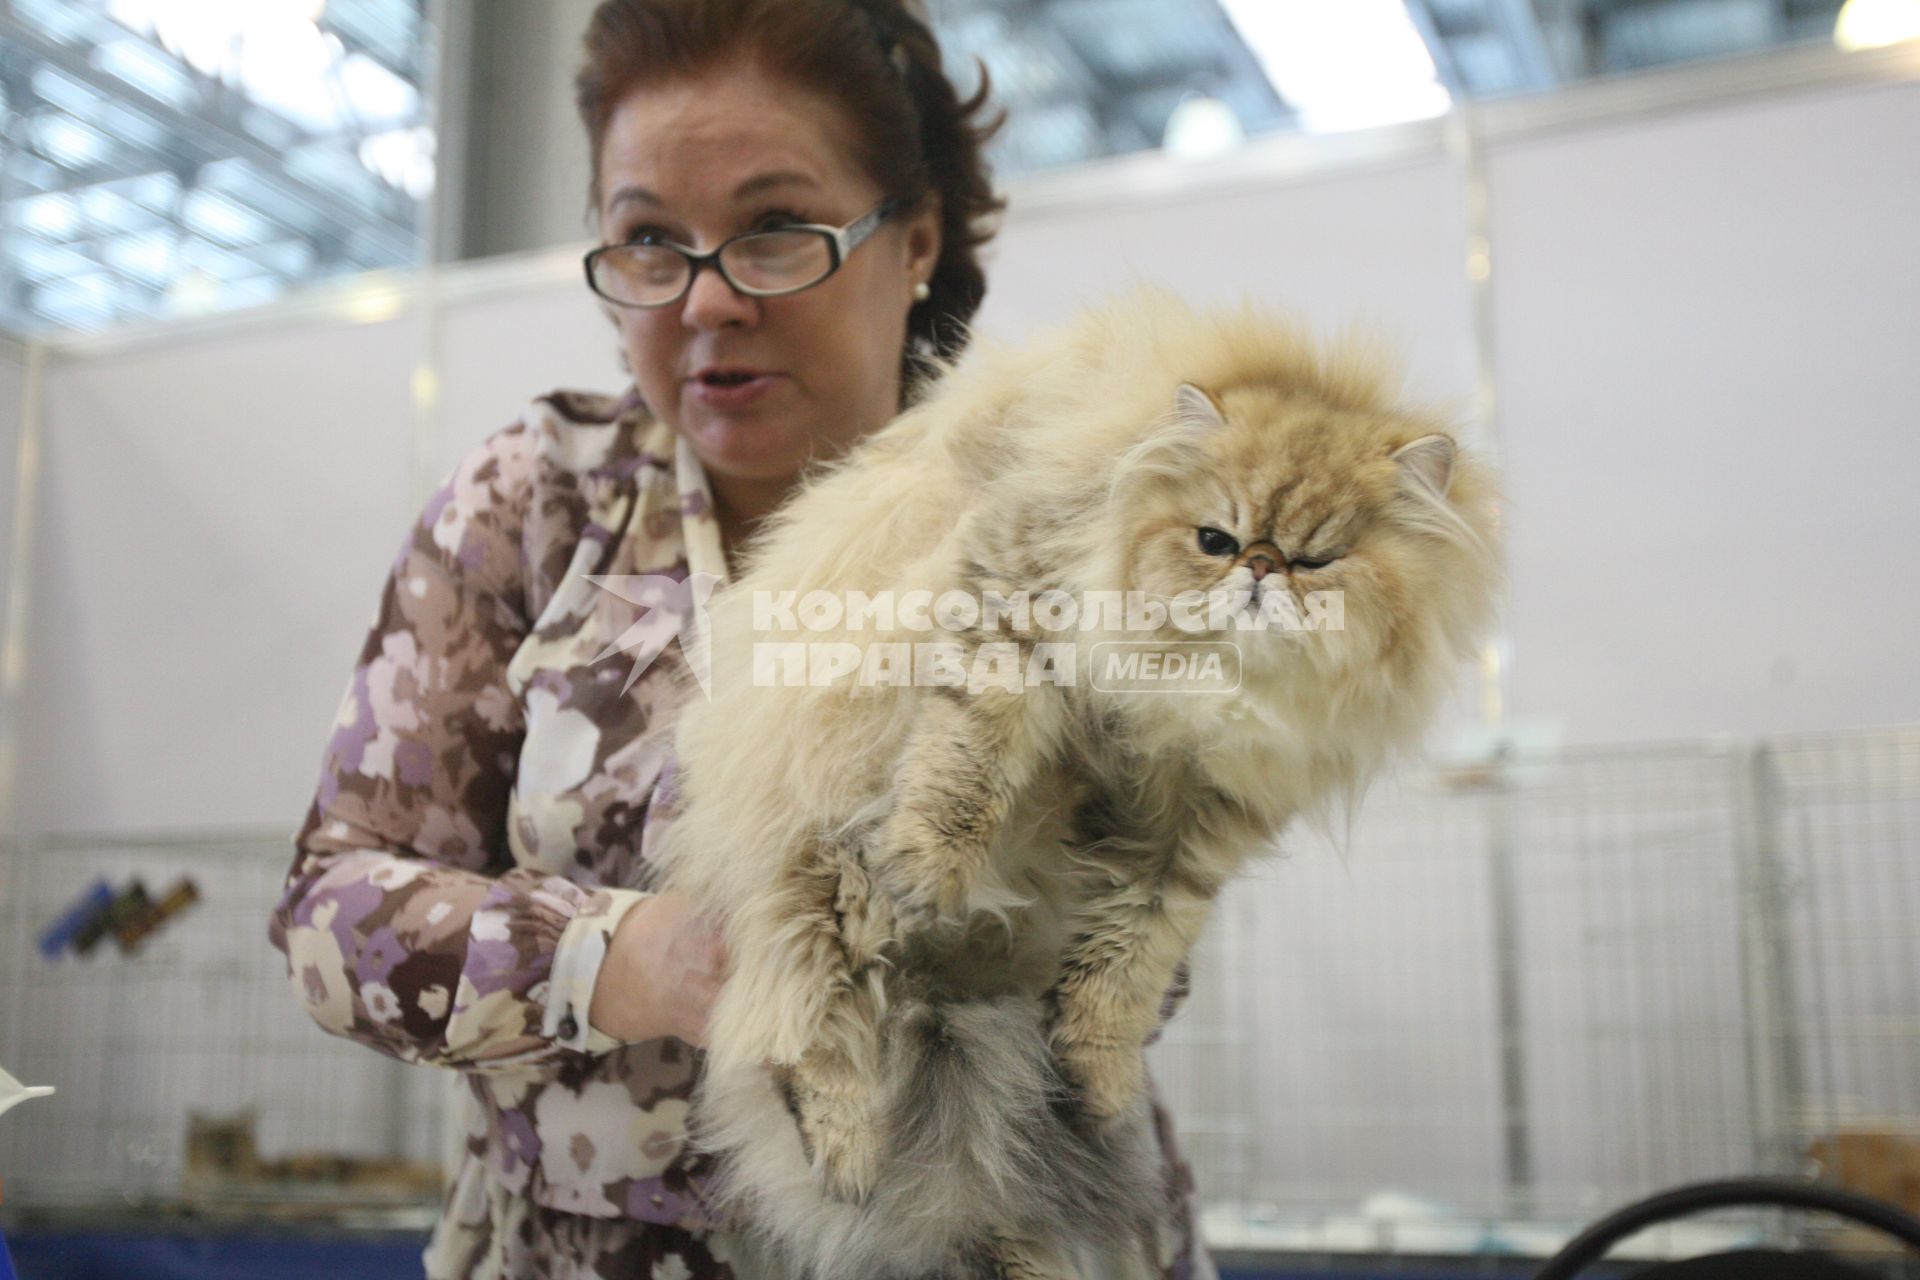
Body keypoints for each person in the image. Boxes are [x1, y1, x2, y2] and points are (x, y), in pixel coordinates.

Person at [269, 1, 1216, 1276]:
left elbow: (1147, 950)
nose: (708, 300)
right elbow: (332, 911)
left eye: (774, 230)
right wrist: (630, 958)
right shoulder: (543, 502)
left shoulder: (1050, 506)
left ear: (915, 238)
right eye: (650, 240)